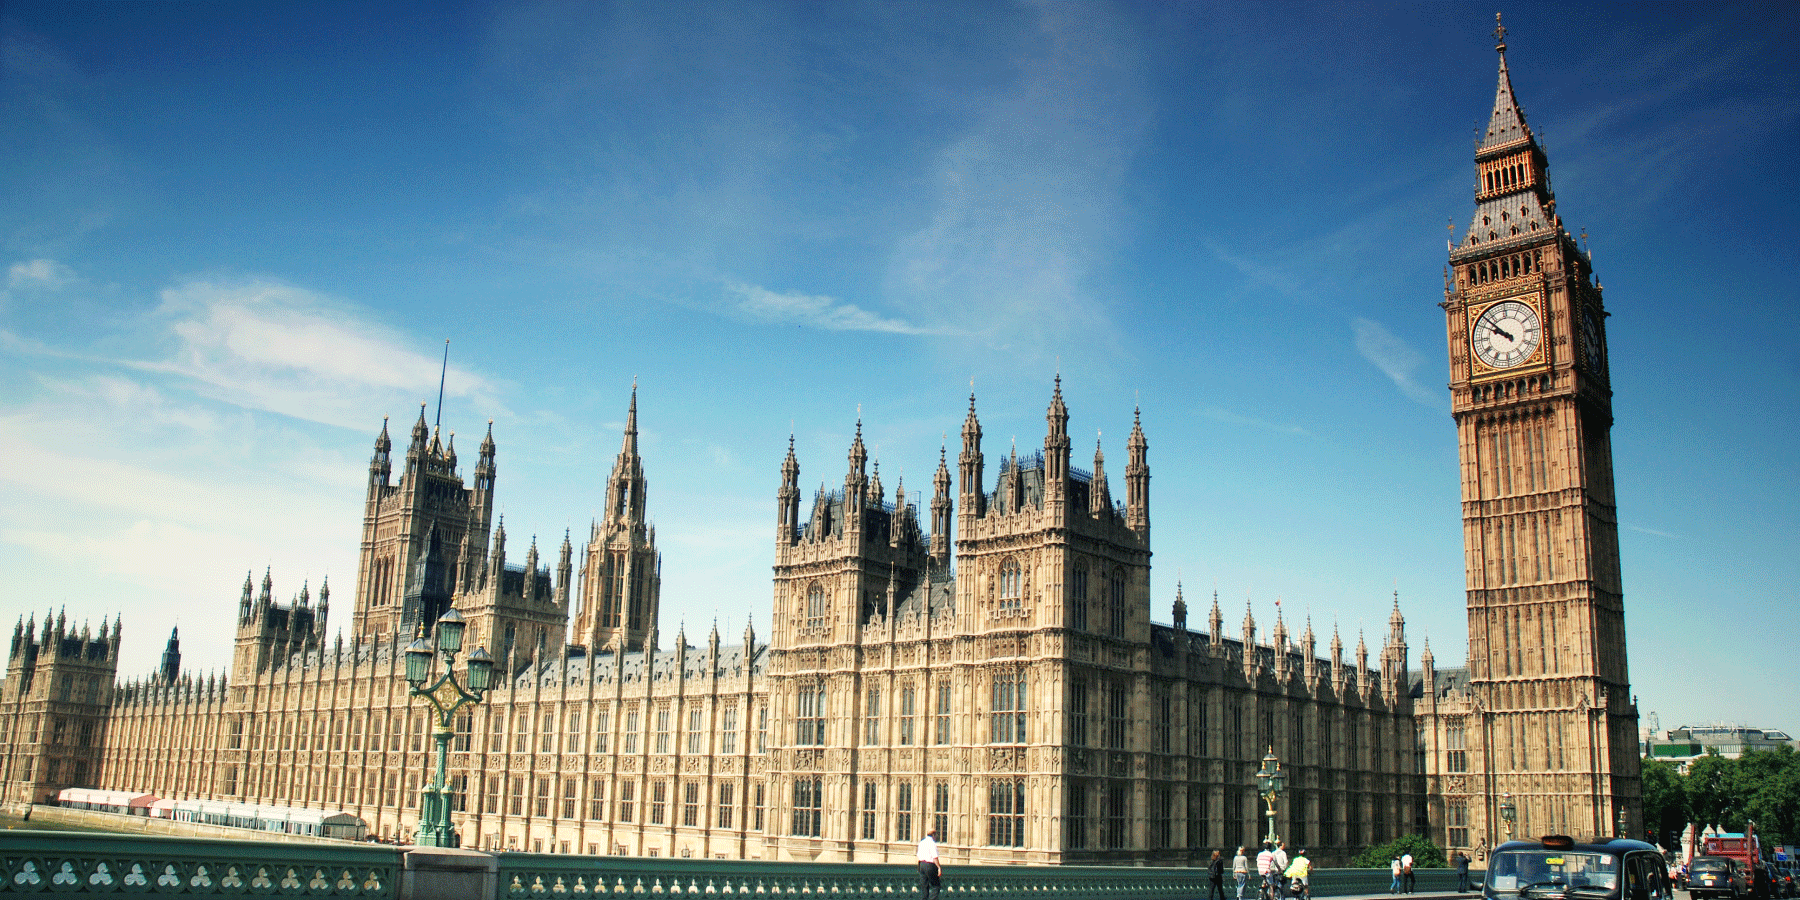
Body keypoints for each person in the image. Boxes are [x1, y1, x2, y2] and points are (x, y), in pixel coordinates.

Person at [917, 826, 942, 900]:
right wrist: (939, 867)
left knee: (924, 886)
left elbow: (918, 855)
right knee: (936, 886)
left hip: (921, 864)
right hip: (929, 865)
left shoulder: (922, 842)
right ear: (934, 835)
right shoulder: (932, 843)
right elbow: (935, 857)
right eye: (936, 835)